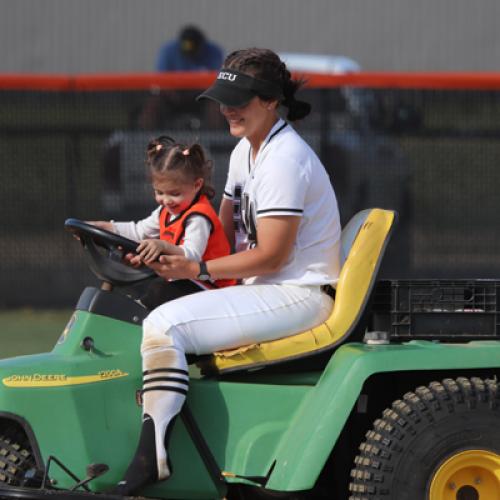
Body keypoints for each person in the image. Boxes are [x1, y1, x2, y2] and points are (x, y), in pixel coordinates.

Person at [113, 48, 342, 495]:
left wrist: (195, 265)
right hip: (267, 288)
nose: (227, 109)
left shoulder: (283, 159)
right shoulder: (246, 151)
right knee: (151, 302)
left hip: (297, 294)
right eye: (223, 98)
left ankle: (150, 456)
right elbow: (221, 236)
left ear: (272, 101)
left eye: (240, 99)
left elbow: (272, 257)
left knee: (165, 325)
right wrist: (166, 253)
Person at [91, 136, 235, 308]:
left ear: (197, 185)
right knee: (146, 288)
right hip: (183, 283)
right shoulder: (164, 212)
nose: (166, 200)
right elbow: (139, 231)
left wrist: (162, 246)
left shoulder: (198, 217)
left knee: (158, 292)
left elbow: (191, 255)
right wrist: (106, 227)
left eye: (174, 194)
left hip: (209, 287)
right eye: (159, 192)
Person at [155, 25, 223, 72]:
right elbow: (161, 76)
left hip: (204, 90)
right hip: (174, 90)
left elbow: (216, 77)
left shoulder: (213, 52)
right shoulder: (168, 51)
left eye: (194, 53)